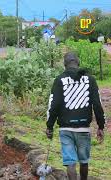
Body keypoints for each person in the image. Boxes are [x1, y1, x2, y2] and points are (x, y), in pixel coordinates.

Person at [46, 52, 105, 180]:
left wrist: (49, 126)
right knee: (84, 161)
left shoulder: (59, 80)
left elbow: (54, 105)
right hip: (83, 128)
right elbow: (97, 104)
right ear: (78, 63)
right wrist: (101, 126)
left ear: (64, 65)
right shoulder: (90, 80)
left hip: (65, 129)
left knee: (70, 161)